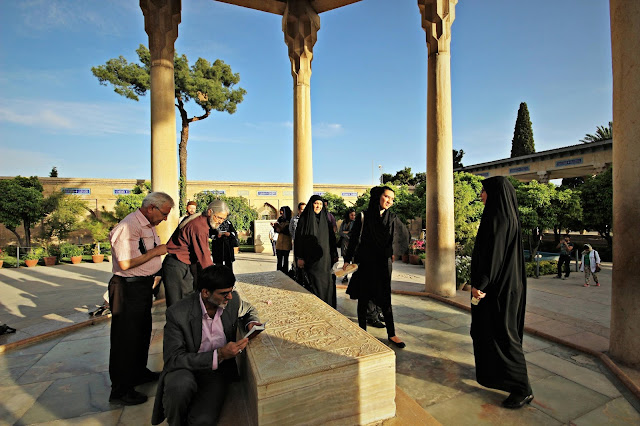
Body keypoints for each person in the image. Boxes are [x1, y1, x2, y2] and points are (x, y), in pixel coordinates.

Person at [151, 265, 261, 425]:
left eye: (231, 291)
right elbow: (173, 359)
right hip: (185, 369)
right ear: (205, 292)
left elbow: (249, 309)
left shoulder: (232, 301)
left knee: (203, 420)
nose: (229, 297)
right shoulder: (178, 313)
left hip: (215, 372)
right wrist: (220, 355)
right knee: (179, 387)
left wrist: (251, 323)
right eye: (224, 293)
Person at [470, 176, 533, 409]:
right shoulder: (507, 216)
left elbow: (493, 257)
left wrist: (481, 284)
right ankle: (496, 374)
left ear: (495, 194)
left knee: (504, 336)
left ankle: (522, 388)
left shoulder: (498, 218)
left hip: (497, 289)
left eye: (484, 191)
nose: (481, 195)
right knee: (491, 332)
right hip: (504, 286)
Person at [108, 191, 174, 405]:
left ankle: (137, 373)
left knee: (141, 333)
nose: (165, 218)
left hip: (141, 287)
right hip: (127, 287)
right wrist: (157, 252)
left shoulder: (148, 226)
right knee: (125, 339)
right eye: (164, 213)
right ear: (151, 208)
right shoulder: (128, 227)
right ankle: (120, 389)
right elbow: (126, 263)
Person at [343, 186, 407, 348]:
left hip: (383, 263)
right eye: (387, 197)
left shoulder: (392, 217)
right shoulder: (363, 216)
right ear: (378, 196)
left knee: (385, 299)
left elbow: (402, 235)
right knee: (364, 298)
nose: (389, 201)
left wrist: (394, 251)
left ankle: (391, 334)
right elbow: (354, 239)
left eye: (392, 199)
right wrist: (347, 259)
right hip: (365, 262)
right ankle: (362, 331)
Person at [163, 199, 229, 308]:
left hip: (184, 264)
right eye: (219, 217)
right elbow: (204, 256)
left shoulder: (202, 221)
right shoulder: (199, 226)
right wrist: (217, 280)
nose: (220, 221)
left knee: (187, 300)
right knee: (176, 306)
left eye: (223, 219)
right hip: (176, 265)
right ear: (209, 212)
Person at [294, 195, 339, 308]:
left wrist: (335, 254)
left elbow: (332, 240)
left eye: (320, 204)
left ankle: (327, 307)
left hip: (325, 261)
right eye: (316, 203)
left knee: (326, 284)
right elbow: (299, 239)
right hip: (310, 261)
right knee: (312, 284)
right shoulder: (304, 220)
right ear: (311, 204)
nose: (318, 206)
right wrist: (299, 257)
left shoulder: (326, 220)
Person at [338, 209, 356, 283]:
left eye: (354, 215)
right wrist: (347, 233)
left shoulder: (355, 223)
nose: (353, 216)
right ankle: (345, 276)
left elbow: (353, 233)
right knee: (346, 261)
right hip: (344, 244)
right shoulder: (344, 222)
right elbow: (340, 232)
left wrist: (346, 233)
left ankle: (354, 277)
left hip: (352, 244)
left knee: (353, 261)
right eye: (351, 215)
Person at [273, 206, 292, 273]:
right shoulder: (280, 219)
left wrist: (280, 228)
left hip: (286, 243)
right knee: (279, 260)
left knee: (285, 260)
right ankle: (278, 273)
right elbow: (277, 231)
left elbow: (288, 231)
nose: (282, 215)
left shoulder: (290, 220)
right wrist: (275, 227)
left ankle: (285, 273)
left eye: (282, 213)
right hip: (279, 242)